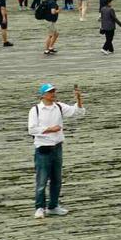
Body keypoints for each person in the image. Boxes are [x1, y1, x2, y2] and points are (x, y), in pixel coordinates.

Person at [28, 83, 86, 219]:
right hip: (43, 148)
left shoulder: (59, 107)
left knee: (56, 179)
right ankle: (40, 207)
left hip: (57, 147)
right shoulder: (35, 110)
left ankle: (53, 206)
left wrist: (79, 99)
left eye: (53, 91)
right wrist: (49, 129)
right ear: (43, 95)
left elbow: (78, 113)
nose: (53, 94)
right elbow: (32, 129)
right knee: (42, 180)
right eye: (50, 92)